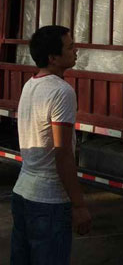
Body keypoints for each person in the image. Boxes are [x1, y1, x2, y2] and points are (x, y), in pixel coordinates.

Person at [10, 25, 91, 265]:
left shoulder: (31, 84)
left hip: (22, 193)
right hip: (49, 202)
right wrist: (79, 205)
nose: (76, 51)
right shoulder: (61, 91)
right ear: (53, 58)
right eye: (70, 47)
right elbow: (62, 153)